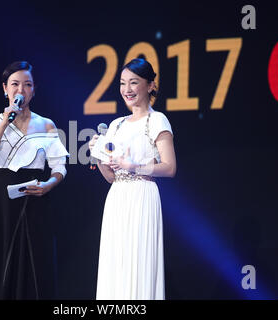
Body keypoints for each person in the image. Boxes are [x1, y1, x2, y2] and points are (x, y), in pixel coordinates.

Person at [0, 61, 69, 299]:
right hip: (1, 203)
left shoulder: (46, 124)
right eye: (15, 84)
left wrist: (48, 185)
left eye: (27, 84)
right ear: (5, 88)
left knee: (33, 265)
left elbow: (60, 166)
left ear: (34, 90)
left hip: (33, 200)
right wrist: (5, 121)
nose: (20, 89)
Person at [89, 58, 176, 300]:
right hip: (118, 197)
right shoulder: (116, 125)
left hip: (142, 195)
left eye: (134, 83)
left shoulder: (156, 120)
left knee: (139, 260)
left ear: (150, 85)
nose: (127, 89)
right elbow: (110, 177)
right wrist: (97, 155)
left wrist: (135, 166)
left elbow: (169, 168)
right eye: (123, 83)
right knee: (116, 262)